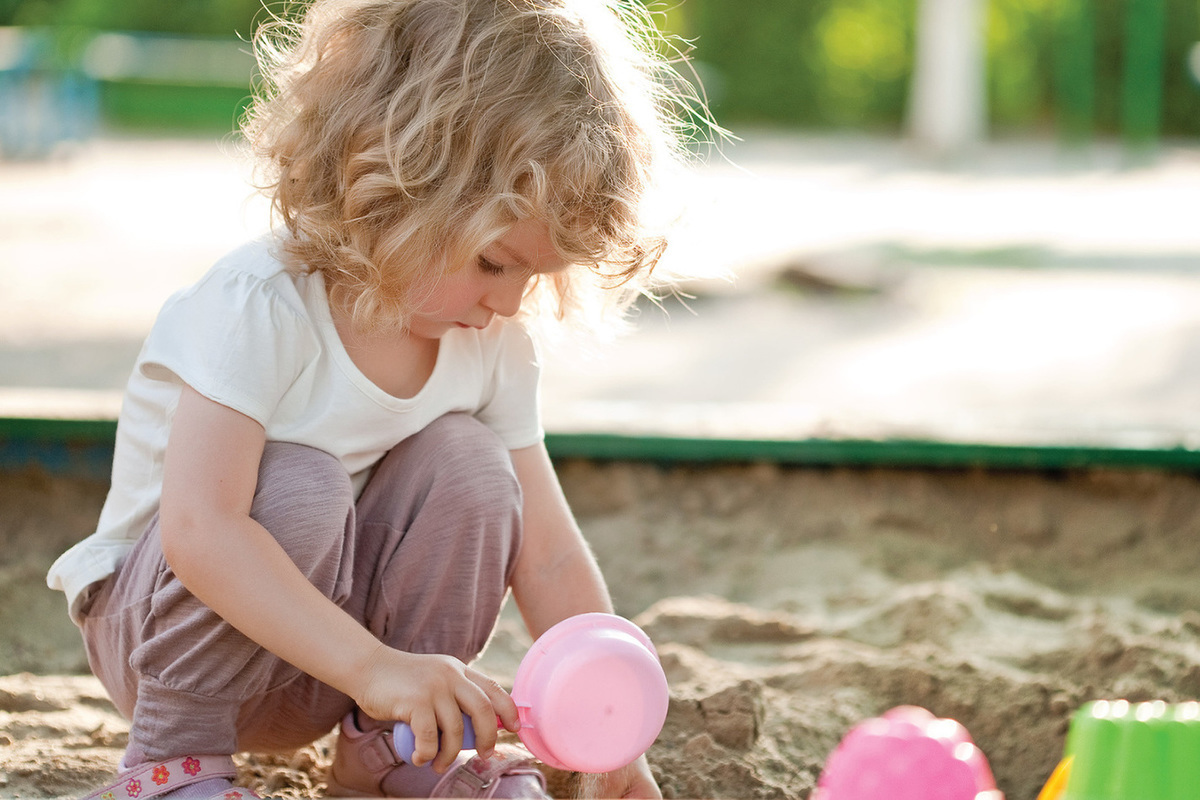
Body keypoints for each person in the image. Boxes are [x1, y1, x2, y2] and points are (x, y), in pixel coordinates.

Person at [46, 1, 711, 798]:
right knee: (302, 482)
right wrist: (373, 665)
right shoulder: (261, 305)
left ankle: (403, 750)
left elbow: (551, 552)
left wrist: (615, 730)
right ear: (397, 189)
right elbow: (200, 530)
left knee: (473, 464)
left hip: (345, 673)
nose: (509, 301)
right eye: (496, 262)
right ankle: (169, 764)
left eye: (534, 275)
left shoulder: (490, 342)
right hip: (167, 641)